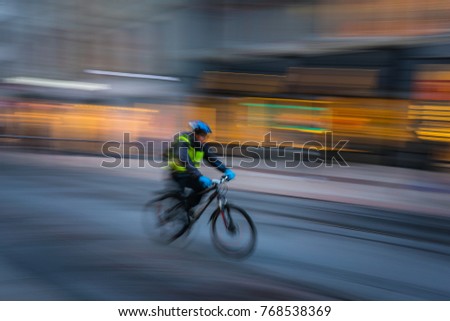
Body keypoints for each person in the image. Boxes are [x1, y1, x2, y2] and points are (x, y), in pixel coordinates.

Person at [166, 120, 235, 215]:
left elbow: (212, 159)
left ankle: (186, 209)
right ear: (195, 133)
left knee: (202, 188)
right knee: (180, 197)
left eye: (205, 136)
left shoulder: (201, 145)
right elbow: (184, 160)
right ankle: (174, 214)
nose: (204, 138)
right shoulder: (183, 141)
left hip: (190, 173)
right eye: (202, 135)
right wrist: (199, 176)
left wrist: (225, 170)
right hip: (177, 172)